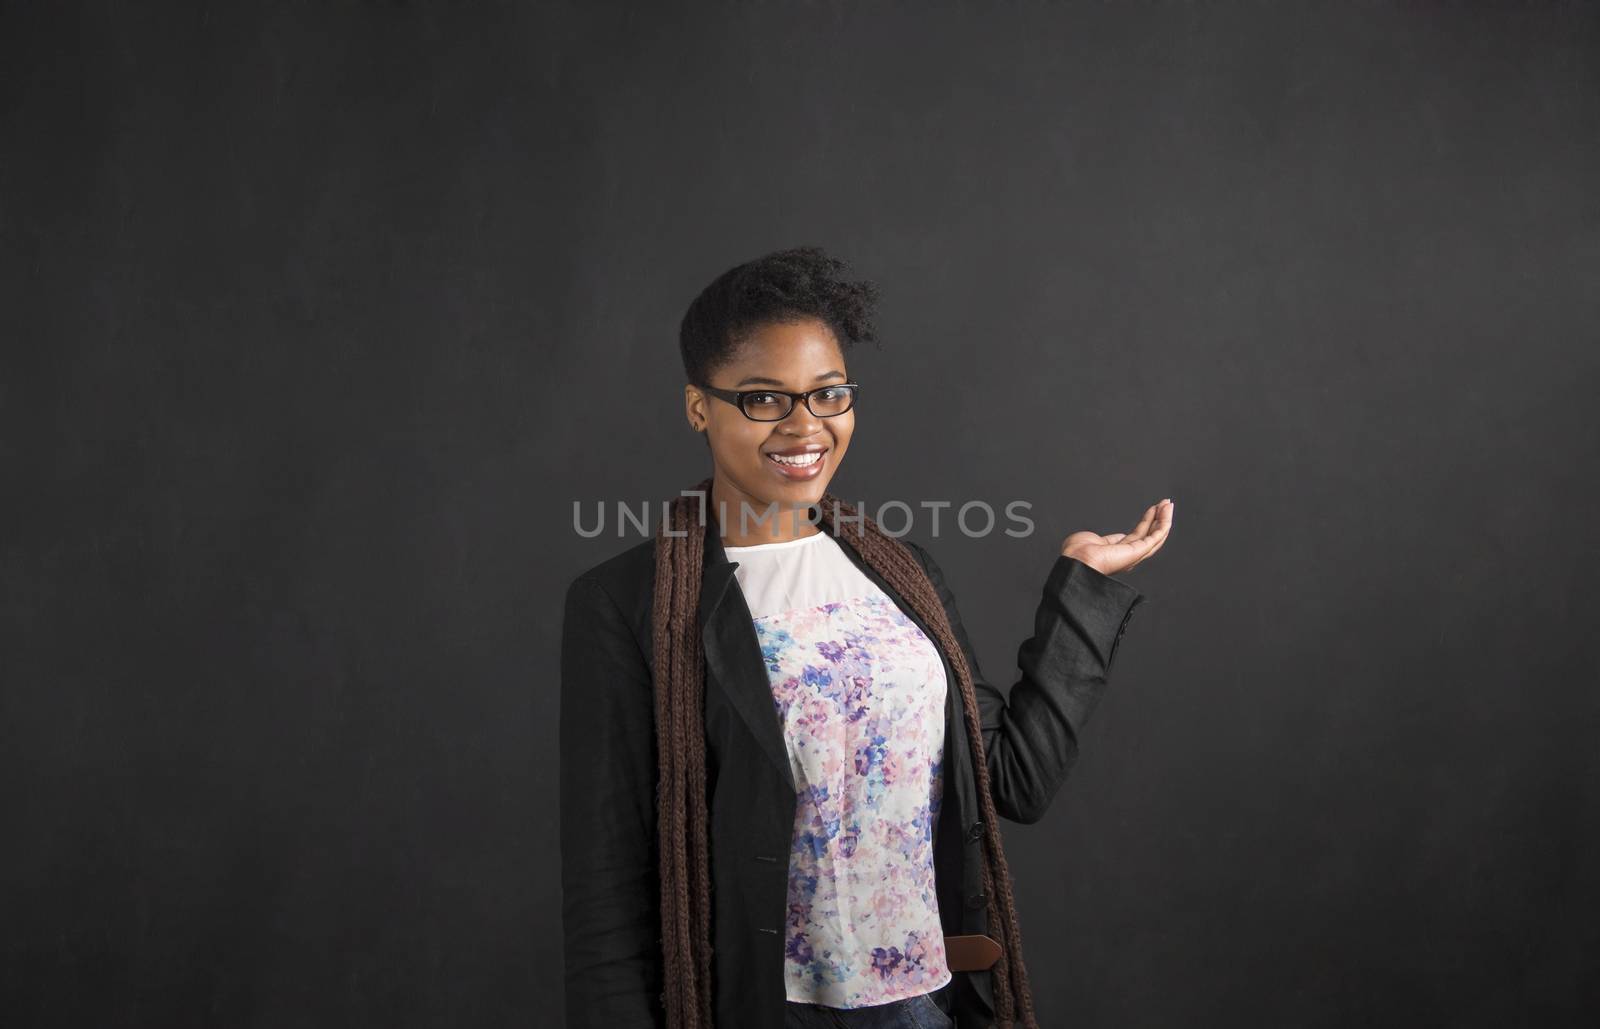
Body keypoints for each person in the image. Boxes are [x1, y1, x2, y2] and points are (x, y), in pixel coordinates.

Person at [560, 246, 1174, 1029]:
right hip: (763, 1012)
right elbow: (607, 894)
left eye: (828, 394)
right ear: (698, 407)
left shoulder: (902, 575)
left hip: (922, 1006)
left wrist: (1081, 587)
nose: (805, 426)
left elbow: (1011, 777)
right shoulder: (625, 602)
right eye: (762, 399)